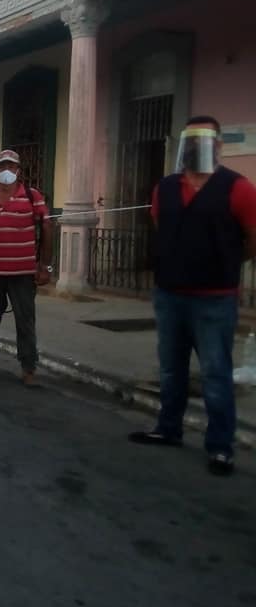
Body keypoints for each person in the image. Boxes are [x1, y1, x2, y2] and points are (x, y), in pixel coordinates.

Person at [128, 116, 256, 476]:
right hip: (170, 295)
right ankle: (168, 428)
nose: (200, 146)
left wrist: (225, 263)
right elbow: (162, 226)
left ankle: (220, 447)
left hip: (215, 298)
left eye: (207, 140)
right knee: (171, 368)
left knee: (216, 373)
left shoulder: (238, 188)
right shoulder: (165, 187)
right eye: (193, 139)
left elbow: (251, 239)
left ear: (217, 145)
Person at [0, 149, 52, 387]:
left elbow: (47, 229)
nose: (7, 171)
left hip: (23, 274)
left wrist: (45, 266)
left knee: (25, 322)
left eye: (11, 167)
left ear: (18, 171)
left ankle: (28, 368)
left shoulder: (33, 197)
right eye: (2, 167)